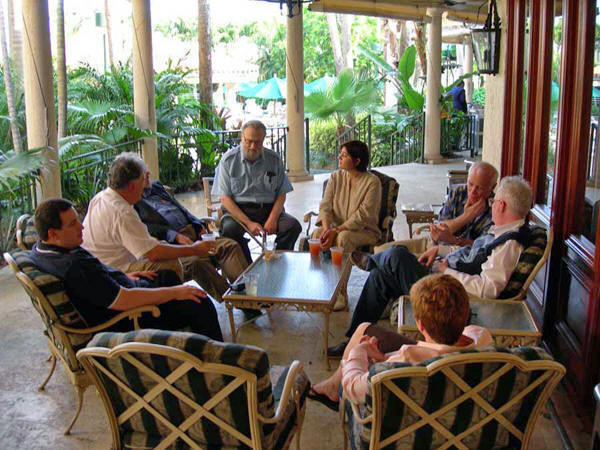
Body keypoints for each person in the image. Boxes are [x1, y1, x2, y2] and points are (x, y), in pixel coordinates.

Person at [329, 176, 532, 357]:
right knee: (381, 275)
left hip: (449, 296)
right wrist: (441, 251)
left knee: (397, 255)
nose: (491, 204)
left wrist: (445, 270)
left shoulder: (510, 244)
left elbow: (487, 290)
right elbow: (472, 255)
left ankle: (371, 261)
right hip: (445, 277)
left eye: (493, 201)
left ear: (502, 205)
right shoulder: (502, 231)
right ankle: (353, 340)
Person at [30, 199, 223, 341]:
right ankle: (215, 361)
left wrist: (122, 275)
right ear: (52, 234)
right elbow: (123, 300)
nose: (81, 226)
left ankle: (187, 349)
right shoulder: (74, 266)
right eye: (72, 224)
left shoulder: (43, 249)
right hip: (125, 318)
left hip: (115, 291)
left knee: (166, 276)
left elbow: (95, 282)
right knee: (199, 302)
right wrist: (176, 292)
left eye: (78, 220)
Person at [308, 274, 492, 409]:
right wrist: (385, 358)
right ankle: (331, 385)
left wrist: (360, 352)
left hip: (414, 425)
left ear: (419, 324)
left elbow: (352, 388)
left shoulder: (405, 360)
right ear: (466, 313)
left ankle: (332, 387)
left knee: (362, 336)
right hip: (462, 405)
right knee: (365, 327)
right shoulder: (482, 337)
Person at [82, 152, 224, 301]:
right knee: (172, 265)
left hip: (103, 266)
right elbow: (153, 253)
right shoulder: (122, 211)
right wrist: (195, 249)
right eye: (143, 180)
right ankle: (176, 305)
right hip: (115, 271)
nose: (146, 186)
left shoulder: (101, 197)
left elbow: (146, 245)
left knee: (174, 252)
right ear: (131, 186)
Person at [134, 179, 248, 298]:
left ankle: (247, 293)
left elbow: (181, 209)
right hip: (173, 245)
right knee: (196, 262)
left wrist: (198, 225)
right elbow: (147, 228)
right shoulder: (132, 201)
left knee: (229, 246)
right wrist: (175, 236)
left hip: (194, 234)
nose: (148, 174)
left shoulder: (156, 187)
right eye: (143, 173)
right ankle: (233, 299)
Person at [212, 119, 302, 262]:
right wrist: (248, 222)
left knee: (292, 226)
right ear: (242, 138)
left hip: (268, 209)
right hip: (238, 211)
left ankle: (276, 263)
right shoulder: (228, 161)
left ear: (263, 140)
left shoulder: (274, 159)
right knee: (229, 230)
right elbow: (225, 199)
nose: (253, 146)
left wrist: (272, 219)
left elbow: (281, 194)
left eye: (258, 142)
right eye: (248, 141)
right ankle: (247, 270)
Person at [377, 161, 498, 258]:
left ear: (492, 187)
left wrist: (454, 240)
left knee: (395, 258)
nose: (473, 191)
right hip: (432, 242)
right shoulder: (460, 192)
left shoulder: (495, 210)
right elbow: (439, 228)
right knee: (381, 251)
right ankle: (370, 262)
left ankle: (370, 263)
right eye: (470, 184)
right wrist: (466, 217)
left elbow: (483, 247)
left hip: (451, 255)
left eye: (479, 188)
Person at [311, 140, 381, 253]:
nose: (339, 157)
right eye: (340, 154)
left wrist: (336, 230)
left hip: (364, 231)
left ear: (357, 161)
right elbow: (325, 206)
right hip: (335, 227)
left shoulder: (372, 182)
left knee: (343, 238)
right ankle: (318, 270)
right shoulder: (335, 177)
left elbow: (364, 215)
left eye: (344, 155)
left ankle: (340, 271)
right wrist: (326, 229)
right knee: (317, 234)